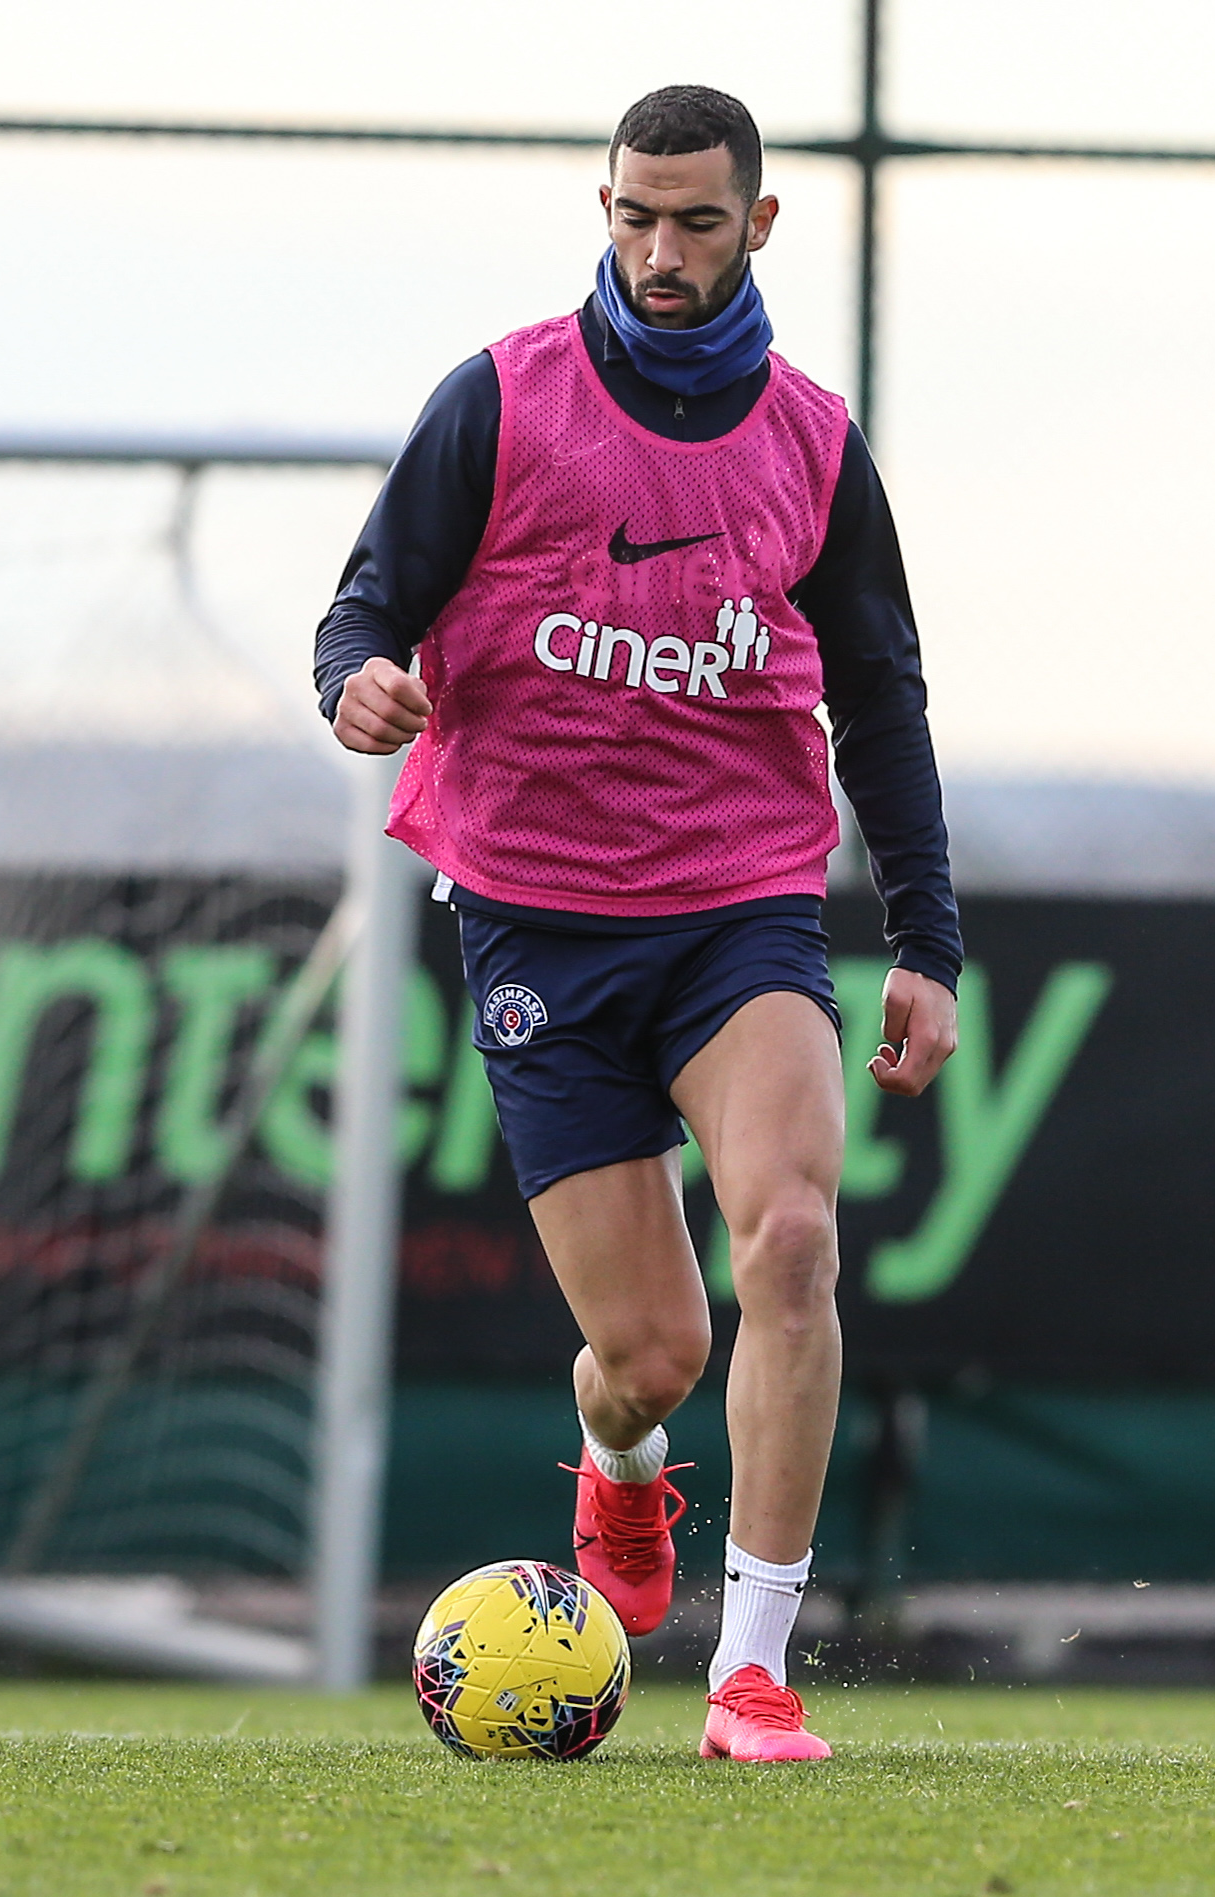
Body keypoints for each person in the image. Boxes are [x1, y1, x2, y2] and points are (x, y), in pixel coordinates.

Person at [316, 86, 962, 1763]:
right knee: (650, 1351)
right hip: (535, 926)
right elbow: (363, 606)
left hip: (740, 911)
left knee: (794, 1242)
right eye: (633, 218)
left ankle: (750, 1673)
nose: (660, 253)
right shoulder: (498, 398)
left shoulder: (813, 443)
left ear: (759, 225)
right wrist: (356, 680)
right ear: (600, 208)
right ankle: (617, 1463)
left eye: (694, 222)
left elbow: (881, 699)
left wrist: (925, 939)